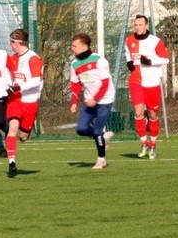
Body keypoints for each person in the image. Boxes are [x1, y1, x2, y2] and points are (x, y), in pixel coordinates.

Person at [125, 14, 169, 159]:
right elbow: (128, 53)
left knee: (152, 114)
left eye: (140, 24)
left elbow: (165, 59)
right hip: (136, 80)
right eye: (135, 24)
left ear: (146, 26)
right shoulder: (129, 39)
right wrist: (129, 63)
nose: (137, 27)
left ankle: (153, 144)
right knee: (138, 112)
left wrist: (149, 61)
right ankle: (144, 143)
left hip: (151, 82)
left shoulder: (155, 41)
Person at [69, 33, 116, 170]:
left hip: (105, 100)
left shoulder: (100, 61)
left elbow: (106, 83)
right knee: (81, 129)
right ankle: (103, 136)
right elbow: (75, 84)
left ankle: (101, 160)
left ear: (84, 46)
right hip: (89, 101)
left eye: (74, 46)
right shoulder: (74, 64)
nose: (72, 48)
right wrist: (74, 102)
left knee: (96, 130)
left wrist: (95, 99)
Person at [5, 28, 44, 176]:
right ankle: (12, 162)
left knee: (23, 135)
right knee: (12, 127)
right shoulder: (12, 58)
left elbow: (35, 82)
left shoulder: (33, 59)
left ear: (17, 43)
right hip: (15, 99)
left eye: (12, 42)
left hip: (30, 100)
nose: (11, 45)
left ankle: (26, 131)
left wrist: (17, 87)